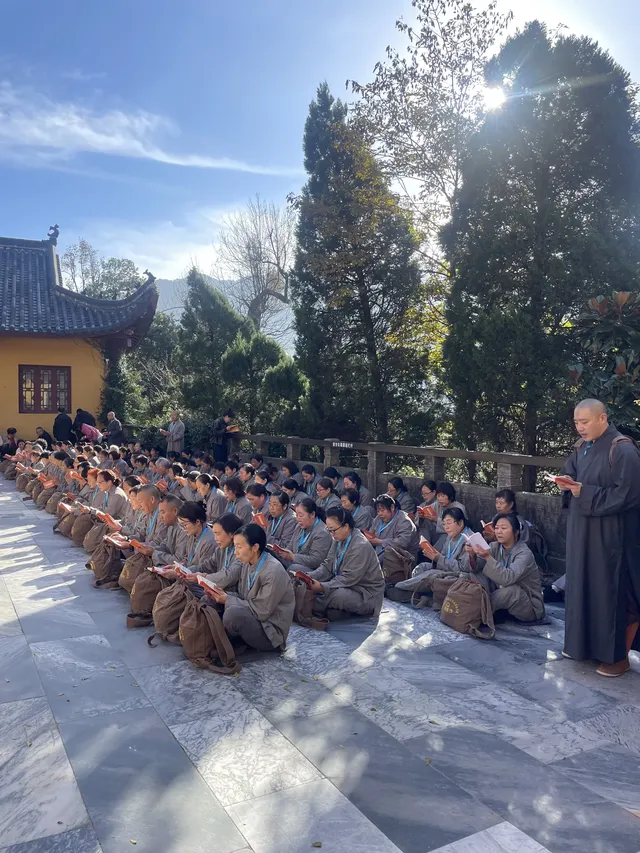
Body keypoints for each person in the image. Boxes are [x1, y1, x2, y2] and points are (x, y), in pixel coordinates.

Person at [560, 399, 640, 677]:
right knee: (583, 586)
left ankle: (618, 657)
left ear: (602, 418)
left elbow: (629, 494)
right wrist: (566, 482)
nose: (580, 428)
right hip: (582, 531)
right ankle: (584, 647)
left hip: (611, 536)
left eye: (585, 422)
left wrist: (585, 493)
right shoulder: (582, 447)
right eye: (576, 423)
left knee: (610, 592)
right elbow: (572, 472)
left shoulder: (623, 449)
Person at [198, 523, 295, 653]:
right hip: (252, 616)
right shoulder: (248, 563)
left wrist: (227, 599)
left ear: (255, 547)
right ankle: (215, 640)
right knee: (208, 600)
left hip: (269, 631)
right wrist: (219, 594)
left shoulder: (273, 571)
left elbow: (261, 611)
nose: (235, 552)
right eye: (235, 546)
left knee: (233, 615)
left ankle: (223, 645)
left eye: (239, 547)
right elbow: (243, 596)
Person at [306, 506, 385, 619]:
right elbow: (327, 565)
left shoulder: (360, 546)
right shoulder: (338, 538)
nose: (331, 534)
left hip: (366, 594)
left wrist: (322, 587)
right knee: (305, 576)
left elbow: (348, 578)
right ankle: (333, 609)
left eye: (333, 530)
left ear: (346, 527)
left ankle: (309, 607)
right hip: (347, 585)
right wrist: (310, 576)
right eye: (329, 530)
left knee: (337, 595)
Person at [467, 513, 545, 623]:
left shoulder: (524, 553)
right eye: (496, 528)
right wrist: (472, 555)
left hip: (528, 605)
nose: (499, 531)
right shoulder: (494, 546)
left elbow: (507, 579)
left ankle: (479, 614)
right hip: (500, 593)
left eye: (503, 528)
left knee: (512, 591)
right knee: (474, 575)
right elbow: (476, 567)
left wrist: (487, 557)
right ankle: (477, 606)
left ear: (516, 532)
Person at [276, 498, 332, 573]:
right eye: (296, 515)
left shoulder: (322, 532)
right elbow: (290, 546)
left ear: (312, 514)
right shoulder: (299, 526)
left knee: (293, 568)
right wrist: (282, 552)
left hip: (313, 569)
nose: (298, 519)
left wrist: (293, 557)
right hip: (296, 562)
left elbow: (316, 560)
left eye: (301, 515)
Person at [368, 494, 419, 563]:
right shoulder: (378, 519)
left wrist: (381, 542)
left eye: (382, 510)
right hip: (380, 555)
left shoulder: (404, 521)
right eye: (378, 511)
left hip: (402, 560)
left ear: (392, 507)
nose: (380, 514)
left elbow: (403, 542)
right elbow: (371, 533)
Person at [176, 501, 218, 567]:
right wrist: (178, 566)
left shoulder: (209, 542)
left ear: (197, 522)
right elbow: (187, 558)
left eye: (184, 525)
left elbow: (203, 568)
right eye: (181, 525)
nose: (183, 529)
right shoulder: (193, 534)